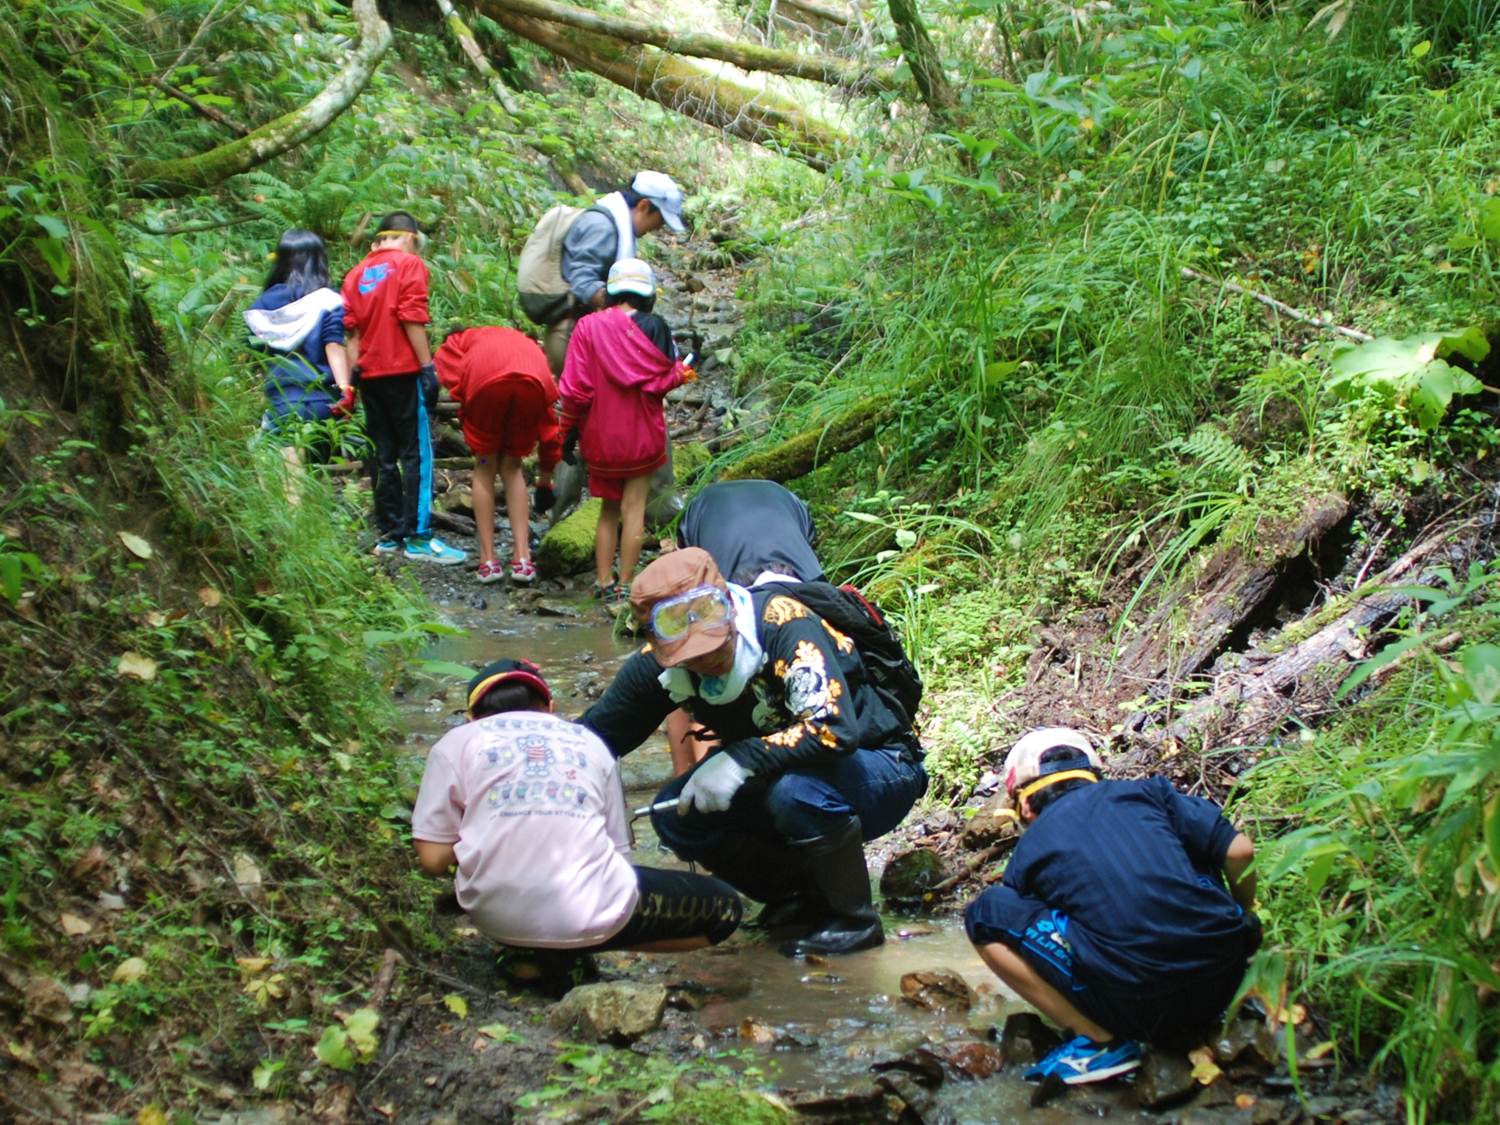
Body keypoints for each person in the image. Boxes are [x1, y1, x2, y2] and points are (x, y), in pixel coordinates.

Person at [579, 548, 927, 958]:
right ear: (657, 644)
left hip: (879, 765)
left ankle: (855, 921)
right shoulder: (655, 669)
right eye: (689, 655)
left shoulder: (784, 623)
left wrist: (742, 758)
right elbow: (591, 740)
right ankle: (795, 896)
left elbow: (833, 728)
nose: (706, 658)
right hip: (783, 775)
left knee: (795, 793)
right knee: (676, 814)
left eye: (713, 643)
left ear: (728, 606)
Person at [964, 728, 1261, 1086]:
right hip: (1224, 980)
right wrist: (1245, 918)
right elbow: (1240, 851)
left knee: (986, 913)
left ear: (1025, 805)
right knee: (1196, 846)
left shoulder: (1029, 851)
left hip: (1135, 1007)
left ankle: (1098, 1042)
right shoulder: (1151, 793)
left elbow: (1029, 934)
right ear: (1093, 775)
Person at [412, 658, 744, 955]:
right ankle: (576, 951)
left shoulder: (455, 743)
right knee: (725, 909)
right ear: (550, 706)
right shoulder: (587, 740)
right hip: (589, 916)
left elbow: (432, 861)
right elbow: (618, 856)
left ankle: (531, 952)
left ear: (471, 716)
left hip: (494, 917)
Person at [666, 480, 826, 773]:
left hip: (719, 527)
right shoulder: (803, 609)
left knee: (690, 665)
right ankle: (699, 771)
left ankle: (690, 775)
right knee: (702, 663)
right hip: (779, 526)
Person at [559, 259, 690, 603]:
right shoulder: (657, 328)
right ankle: (627, 584)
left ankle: (603, 582)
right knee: (634, 510)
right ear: (648, 295)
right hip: (643, 437)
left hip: (600, 437)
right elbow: (662, 381)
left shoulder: (587, 328)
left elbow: (575, 390)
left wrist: (567, 429)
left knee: (608, 509)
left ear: (612, 291)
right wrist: (679, 374)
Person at [340, 212, 465, 565]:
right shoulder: (409, 265)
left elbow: (353, 333)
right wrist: (427, 367)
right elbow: (411, 316)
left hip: (368, 374)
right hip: (403, 371)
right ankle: (419, 537)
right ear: (410, 238)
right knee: (417, 455)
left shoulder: (355, 274)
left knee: (382, 455)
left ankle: (390, 534)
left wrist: (351, 381)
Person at [434, 327, 561, 585]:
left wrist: (467, 404)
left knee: (485, 465)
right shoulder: (526, 344)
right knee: (513, 467)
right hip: (533, 383)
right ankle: (523, 559)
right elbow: (550, 432)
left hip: (485, 384)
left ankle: (488, 560)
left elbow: (451, 375)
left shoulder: (459, 341)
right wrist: (545, 480)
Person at [244, 230, 356, 498]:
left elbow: (252, 347)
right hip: (323, 398)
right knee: (316, 465)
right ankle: (319, 517)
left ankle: (295, 523)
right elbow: (333, 345)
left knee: (283, 468)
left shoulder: (264, 305)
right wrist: (346, 389)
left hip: (283, 397)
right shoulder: (329, 300)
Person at [545, 171, 686, 376]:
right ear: (644, 206)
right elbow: (582, 280)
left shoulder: (616, 224)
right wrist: (625, 310)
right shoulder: (602, 227)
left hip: (582, 334)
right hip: (570, 335)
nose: (658, 228)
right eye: (660, 220)